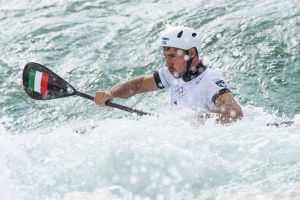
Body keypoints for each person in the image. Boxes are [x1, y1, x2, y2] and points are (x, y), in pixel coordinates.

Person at [94, 26, 243, 123]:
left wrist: (194, 121)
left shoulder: (210, 80)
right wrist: (111, 93)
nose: (167, 64)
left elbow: (234, 112)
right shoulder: (172, 74)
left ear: (191, 53)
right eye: (166, 57)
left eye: (172, 56)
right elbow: (137, 85)